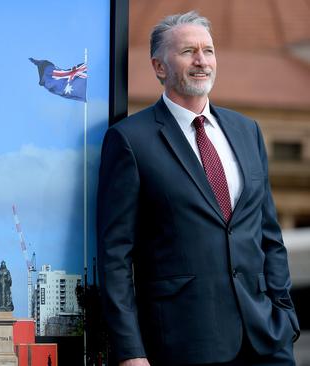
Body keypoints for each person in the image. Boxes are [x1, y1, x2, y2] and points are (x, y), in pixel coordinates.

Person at [97, 10, 300, 366]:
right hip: (184, 342)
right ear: (159, 67)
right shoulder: (130, 140)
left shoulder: (246, 131)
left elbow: (269, 234)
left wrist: (284, 313)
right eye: (188, 51)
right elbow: (115, 256)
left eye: (208, 50)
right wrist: (130, 350)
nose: (201, 61)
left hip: (267, 340)